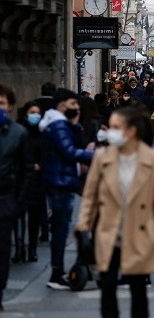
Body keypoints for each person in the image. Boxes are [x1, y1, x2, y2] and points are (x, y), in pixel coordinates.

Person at [76, 106, 154, 318]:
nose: (110, 131)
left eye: (116, 127)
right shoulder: (103, 157)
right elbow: (90, 194)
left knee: (138, 291)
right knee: (107, 287)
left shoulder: (153, 159)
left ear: (131, 130)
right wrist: (83, 224)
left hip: (140, 232)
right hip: (108, 231)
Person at [39, 88, 95, 290]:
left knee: (62, 228)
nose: (77, 108)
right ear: (62, 105)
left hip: (62, 180)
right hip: (61, 181)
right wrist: (98, 157)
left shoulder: (60, 124)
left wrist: (74, 124)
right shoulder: (58, 126)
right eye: (73, 104)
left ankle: (58, 271)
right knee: (61, 229)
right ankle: (56, 272)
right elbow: (70, 151)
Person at [0, 85, 31, 310]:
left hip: (5, 201)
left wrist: (18, 201)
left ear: (9, 106)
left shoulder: (18, 134)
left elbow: (26, 169)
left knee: (2, 250)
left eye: (1, 103)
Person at [15, 102, 46, 264]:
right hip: (21, 178)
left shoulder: (42, 133)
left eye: (38, 112)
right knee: (17, 215)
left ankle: (32, 248)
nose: (36, 115)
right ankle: (19, 246)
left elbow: (47, 153)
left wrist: (40, 165)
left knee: (34, 216)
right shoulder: (19, 132)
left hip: (37, 179)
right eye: (32, 112)